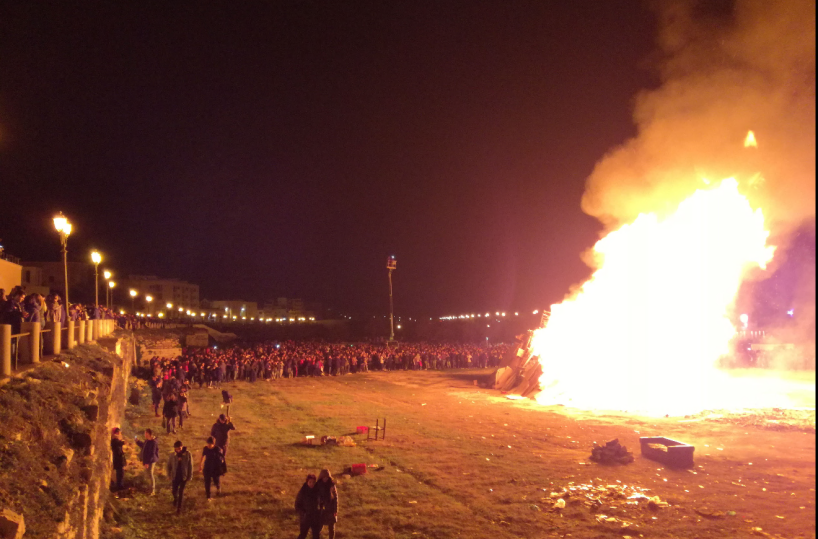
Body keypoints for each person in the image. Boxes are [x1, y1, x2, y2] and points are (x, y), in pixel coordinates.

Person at [166, 440, 193, 515]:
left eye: (179, 449)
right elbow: (168, 466)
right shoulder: (172, 455)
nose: (178, 450)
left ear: (182, 447)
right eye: (177, 449)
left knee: (181, 492)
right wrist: (168, 475)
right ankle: (175, 499)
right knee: (174, 491)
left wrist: (190, 476)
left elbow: (190, 466)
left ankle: (179, 508)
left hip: (183, 476)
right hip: (175, 476)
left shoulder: (187, 454)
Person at [295, 474, 321, 539]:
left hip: (315, 517)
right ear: (307, 482)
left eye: (313, 482)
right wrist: (303, 513)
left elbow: (321, 502)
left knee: (316, 535)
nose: (312, 484)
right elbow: (297, 504)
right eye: (310, 482)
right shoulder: (303, 491)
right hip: (305, 518)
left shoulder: (317, 491)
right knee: (303, 534)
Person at [198, 436, 224, 501]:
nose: (209, 445)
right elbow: (202, 457)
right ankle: (208, 497)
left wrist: (220, 466)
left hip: (215, 468)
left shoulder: (217, 449)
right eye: (208, 443)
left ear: (213, 444)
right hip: (207, 467)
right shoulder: (205, 449)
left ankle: (218, 488)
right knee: (207, 482)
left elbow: (222, 459)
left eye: (210, 444)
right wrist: (200, 466)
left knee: (216, 480)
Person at [134, 429, 159, 495]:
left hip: (151, 461)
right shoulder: (147, 440)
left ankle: (152, 490)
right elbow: (143, 446)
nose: (144, 434)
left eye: (145, 433)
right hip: (147, 460)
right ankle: (149, 488)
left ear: (149, 434)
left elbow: (152, 453)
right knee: (148, 474)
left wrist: (147, 463)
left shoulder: (153, 442)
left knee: (150, 474)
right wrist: (137, 441)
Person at [316, 469, 338, 539]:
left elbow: (335, 498)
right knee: (319, 526)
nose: (325, 479)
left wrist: (335, 510)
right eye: (324, 477)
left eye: (327, 477)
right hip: (322, 508)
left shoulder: (331, 485)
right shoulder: (318, 485)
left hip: (330, 508)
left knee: (331, 527)